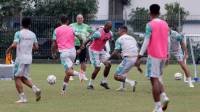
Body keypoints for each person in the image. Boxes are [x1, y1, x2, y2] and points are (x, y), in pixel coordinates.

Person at [136, 4, 169, 112]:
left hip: (154, 55)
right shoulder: (165, 24)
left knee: (153, 79)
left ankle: (158, 106)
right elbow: (168, 40)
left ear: (150, 13)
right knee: (158, 77)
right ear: (159, 13)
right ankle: (164, 96)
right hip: (163, 55)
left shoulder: (149, 24)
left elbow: (146, 40)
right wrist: (167, 54)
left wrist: (140, 55)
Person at [6, 17, 41, 103]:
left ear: (21, 24)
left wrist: (8, 49)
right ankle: (36, 89)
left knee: (16, 77)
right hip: (29, 58)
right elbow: (36, 47)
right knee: (23, 77)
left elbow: (14, 45)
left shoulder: (18, 33)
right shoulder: (33, 34)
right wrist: (28, 47)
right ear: (30, 24)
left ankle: (23, 98)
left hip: (20, 58)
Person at [52, 16, 81, 95]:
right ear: (67, 21)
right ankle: (63, 91)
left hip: (64, 53)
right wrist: (81, 47)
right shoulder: (72, 28)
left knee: (68, 71)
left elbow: (54, 43)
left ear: (60, 21)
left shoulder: (56, 30)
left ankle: (80, 74)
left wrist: (53, 52)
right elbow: (80, 37)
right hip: (72, 52)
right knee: (68, 72)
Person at [78, 21, 112, 90]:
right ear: (105, 26)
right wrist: (83, 45)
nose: (108, 29)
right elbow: (89, 39)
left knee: (108, 64)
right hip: (94, 50)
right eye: (107, 27)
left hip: (101, 50)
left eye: (110, 28)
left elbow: (106, 40)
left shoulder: (110, 33)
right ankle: (90, 84)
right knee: (98, 68)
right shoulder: (98, 33)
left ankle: (104, 82)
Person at [109, 26, 142, 92]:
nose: (118, 32)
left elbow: (116, 52)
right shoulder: (132, 38)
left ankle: (131, 82)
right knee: (122, 71)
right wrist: (138, 65)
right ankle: (122, 87)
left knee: (116, 76)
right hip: (134, 58)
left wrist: (108, 58)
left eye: (119, 30)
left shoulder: (120, 39)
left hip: (128, 59)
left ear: (122, 31)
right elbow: (137, 50)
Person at [70, 14, 94, 81]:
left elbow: (92, 33)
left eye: (81, 18)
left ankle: (82, 75)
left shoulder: (86, 26)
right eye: (78, 18)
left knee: (83, 61)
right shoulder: (71, 25)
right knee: (72, 60)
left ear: (83, 19)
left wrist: (88, 38)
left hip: (83, 45)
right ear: (76, 19)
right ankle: (70, 75)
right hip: (73, 45)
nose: (79, 19)